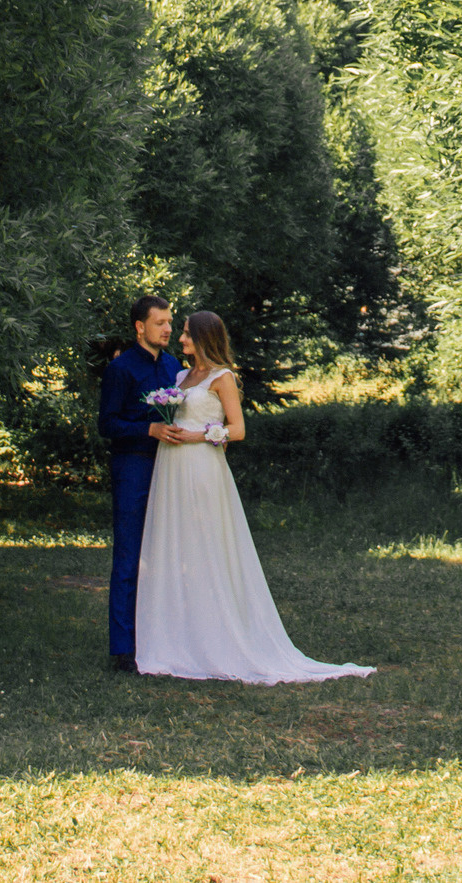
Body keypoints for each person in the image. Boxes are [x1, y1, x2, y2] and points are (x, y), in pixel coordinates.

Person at [134, 310, 372, 683]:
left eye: (186, 335)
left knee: (206, 547)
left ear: (203, 338)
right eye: (180, 334)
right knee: (177, 546)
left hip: (200, 465)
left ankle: (220, 639)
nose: (180, 340)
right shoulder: (181, 376)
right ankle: (180, 639)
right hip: (172, 467)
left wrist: (196, 436)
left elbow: (238, 429)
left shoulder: (221, 377)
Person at [99, 293, 186, 671]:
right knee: (130, 555)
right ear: (140, 327)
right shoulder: (120, 370)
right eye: (160, 323)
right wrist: (147, 429)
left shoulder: (174, 368)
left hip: (171, 467)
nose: (168, 329)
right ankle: (123, 649)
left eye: (169, 322)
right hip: (132, 466)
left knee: (168, 554)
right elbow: (108, 425)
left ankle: (162, 639)